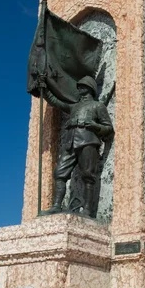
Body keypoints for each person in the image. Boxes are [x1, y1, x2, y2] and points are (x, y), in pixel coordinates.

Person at [40, 75, 114, 217]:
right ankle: (56, 205)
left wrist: (95, 126)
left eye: (82, 86)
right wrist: (44, 88)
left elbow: (108, 128)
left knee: (88, 175)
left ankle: (87, 210)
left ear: (89, 88)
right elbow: (56, 102)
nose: (79, 88)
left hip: (88, 141)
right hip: (71, 142)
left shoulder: (98, 106)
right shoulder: (74, 106)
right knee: (59, 173)